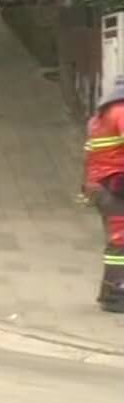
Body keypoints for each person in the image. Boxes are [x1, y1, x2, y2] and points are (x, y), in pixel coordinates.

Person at [83, 84, 124, 313]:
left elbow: (88, 154)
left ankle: (111, 291)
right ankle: (116, 294)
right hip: (116, 185)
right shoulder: (122, 112)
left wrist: (87, 187)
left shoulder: (99, 118)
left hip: (101, 186)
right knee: (120, 242)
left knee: (117, 241)